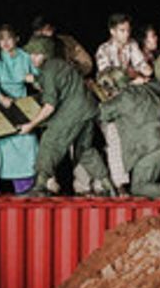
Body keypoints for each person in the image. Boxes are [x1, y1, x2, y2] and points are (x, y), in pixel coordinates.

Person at [17, 35, 113, 196]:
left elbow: (49, 107)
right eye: (31, 54)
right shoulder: (60, 64)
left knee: (49, 142)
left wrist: (30, 125)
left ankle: (40, 185)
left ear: (46, 53)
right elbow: (56, 80)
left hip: (73, 112)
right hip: (88, 110)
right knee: (84, 150)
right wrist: (33, 78)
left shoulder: (48, 70)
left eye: (37, 54)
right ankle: (108, 185)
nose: (33, 58)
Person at [96, 70, 160, 213]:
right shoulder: (146, 89)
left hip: (151, 146)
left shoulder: (120, 100)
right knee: (149, 183)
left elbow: (99, 114)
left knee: (139, 186)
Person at [95, 13, 154, 194]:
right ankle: (120, 184)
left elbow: (145, 69)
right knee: (114, 140)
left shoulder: (132, 46)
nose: (126, 34)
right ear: (112, 31)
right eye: (122, 31)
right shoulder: (103, 50)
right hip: (111, 103)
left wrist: (141, 71)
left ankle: (139, 182)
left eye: (127, 30)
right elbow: (109, 79)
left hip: (130, 102)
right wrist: (133, 77)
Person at [0, 24, 38, 195]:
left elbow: (36, 74)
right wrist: (1, 97)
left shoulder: (25, 56)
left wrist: (33, 78)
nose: (5, 42)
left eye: (8, 38)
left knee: (26, 141)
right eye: (1, 39)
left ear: (16, 39)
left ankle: (25, 187)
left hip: (19, 101)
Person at [30, 15, 94, 77]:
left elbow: (87, 64)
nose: (45, 34)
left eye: (47, 29)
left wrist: (73, 71)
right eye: (41, 31)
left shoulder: (67, 41)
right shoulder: (32, 49)